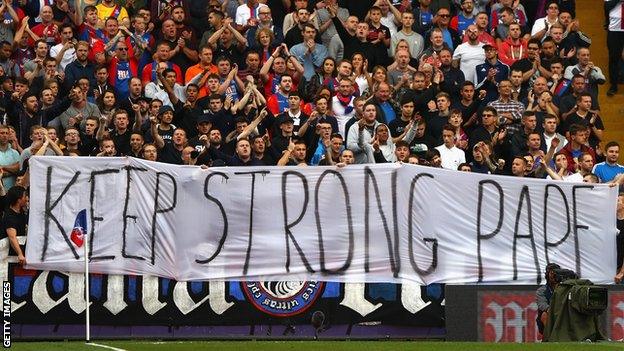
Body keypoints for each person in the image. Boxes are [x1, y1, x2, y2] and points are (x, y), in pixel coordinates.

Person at [536, 263, 561, 336]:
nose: (553, 276)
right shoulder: (542, 290)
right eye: (551, 273)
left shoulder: (565, 289)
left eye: (556, 274)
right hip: (550, 314)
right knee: (544, 315)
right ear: (547, 275)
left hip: (564, 315)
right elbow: (542, 304)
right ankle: (550, 337)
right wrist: (552, 310)